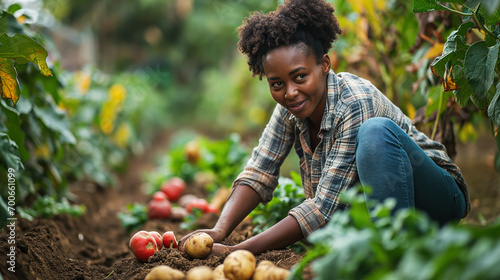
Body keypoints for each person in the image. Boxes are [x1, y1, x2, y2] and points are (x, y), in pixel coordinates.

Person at [178, 0, 470, 257]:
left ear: (325, 65)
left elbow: (322, 209)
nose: (290, 92)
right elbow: (259, 171)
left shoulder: (354, 101)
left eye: (300, 77)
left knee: (375, 133)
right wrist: (218, 231)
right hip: (382, 206)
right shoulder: (290, 108)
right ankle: (383, 241)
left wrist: (239, 250)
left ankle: (395, 252)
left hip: (439, 199)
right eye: (277, 84)